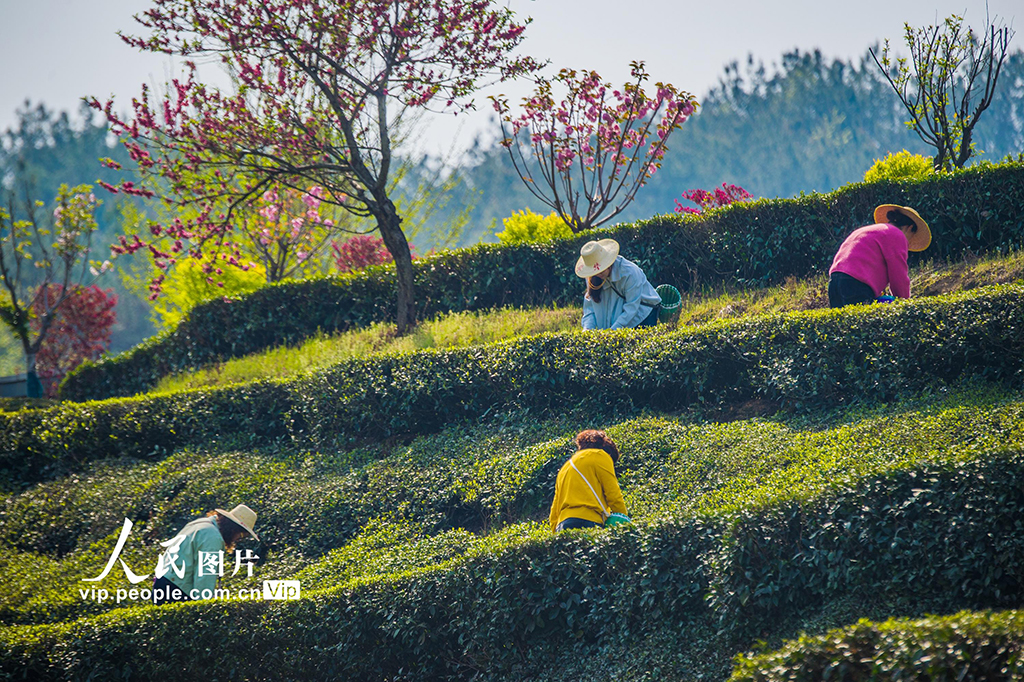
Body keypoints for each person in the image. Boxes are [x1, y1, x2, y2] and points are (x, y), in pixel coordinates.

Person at [828, 204, 932, 308]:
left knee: (844, 321)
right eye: (911, 237)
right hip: (856, 283)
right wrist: (905, 305)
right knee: (864, 323)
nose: (907, 243)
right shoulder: (897, 235)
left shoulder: (870, 230)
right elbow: (898, 275)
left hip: (834, 281)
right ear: (910, 228)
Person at [152, 504, 259, 605]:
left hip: (163, 582)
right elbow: (205, 575)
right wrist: (204, 607)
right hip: (176, 588)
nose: (238, 539)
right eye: (239, 535)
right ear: (233, 529)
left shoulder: (200, 524)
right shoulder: (212, 537)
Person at [550, 430, 627, 532]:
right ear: (608, 453)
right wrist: (624, 521)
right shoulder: (601, 456)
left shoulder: (566, 467)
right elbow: (613, 494)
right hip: (589, 521)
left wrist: (555, 532)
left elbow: (555, 509)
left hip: (564, 524)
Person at [576, 239, 662, 330]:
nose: (599, 273)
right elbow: (590, 309)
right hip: (619, 313)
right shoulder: (591, 277)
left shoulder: (629, 273)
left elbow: (631, 307)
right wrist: (587, 331)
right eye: (595, 271)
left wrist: (612, 332)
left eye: (601, 268)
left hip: (642, 313)